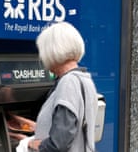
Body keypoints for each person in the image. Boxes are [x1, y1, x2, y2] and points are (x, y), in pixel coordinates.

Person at [16, 21, 98, 152]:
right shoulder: (85, 80)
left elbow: (58, 144)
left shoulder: (68, 83)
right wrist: (34, 127)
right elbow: (73, 130)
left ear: (52, 52)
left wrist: (29, 143)